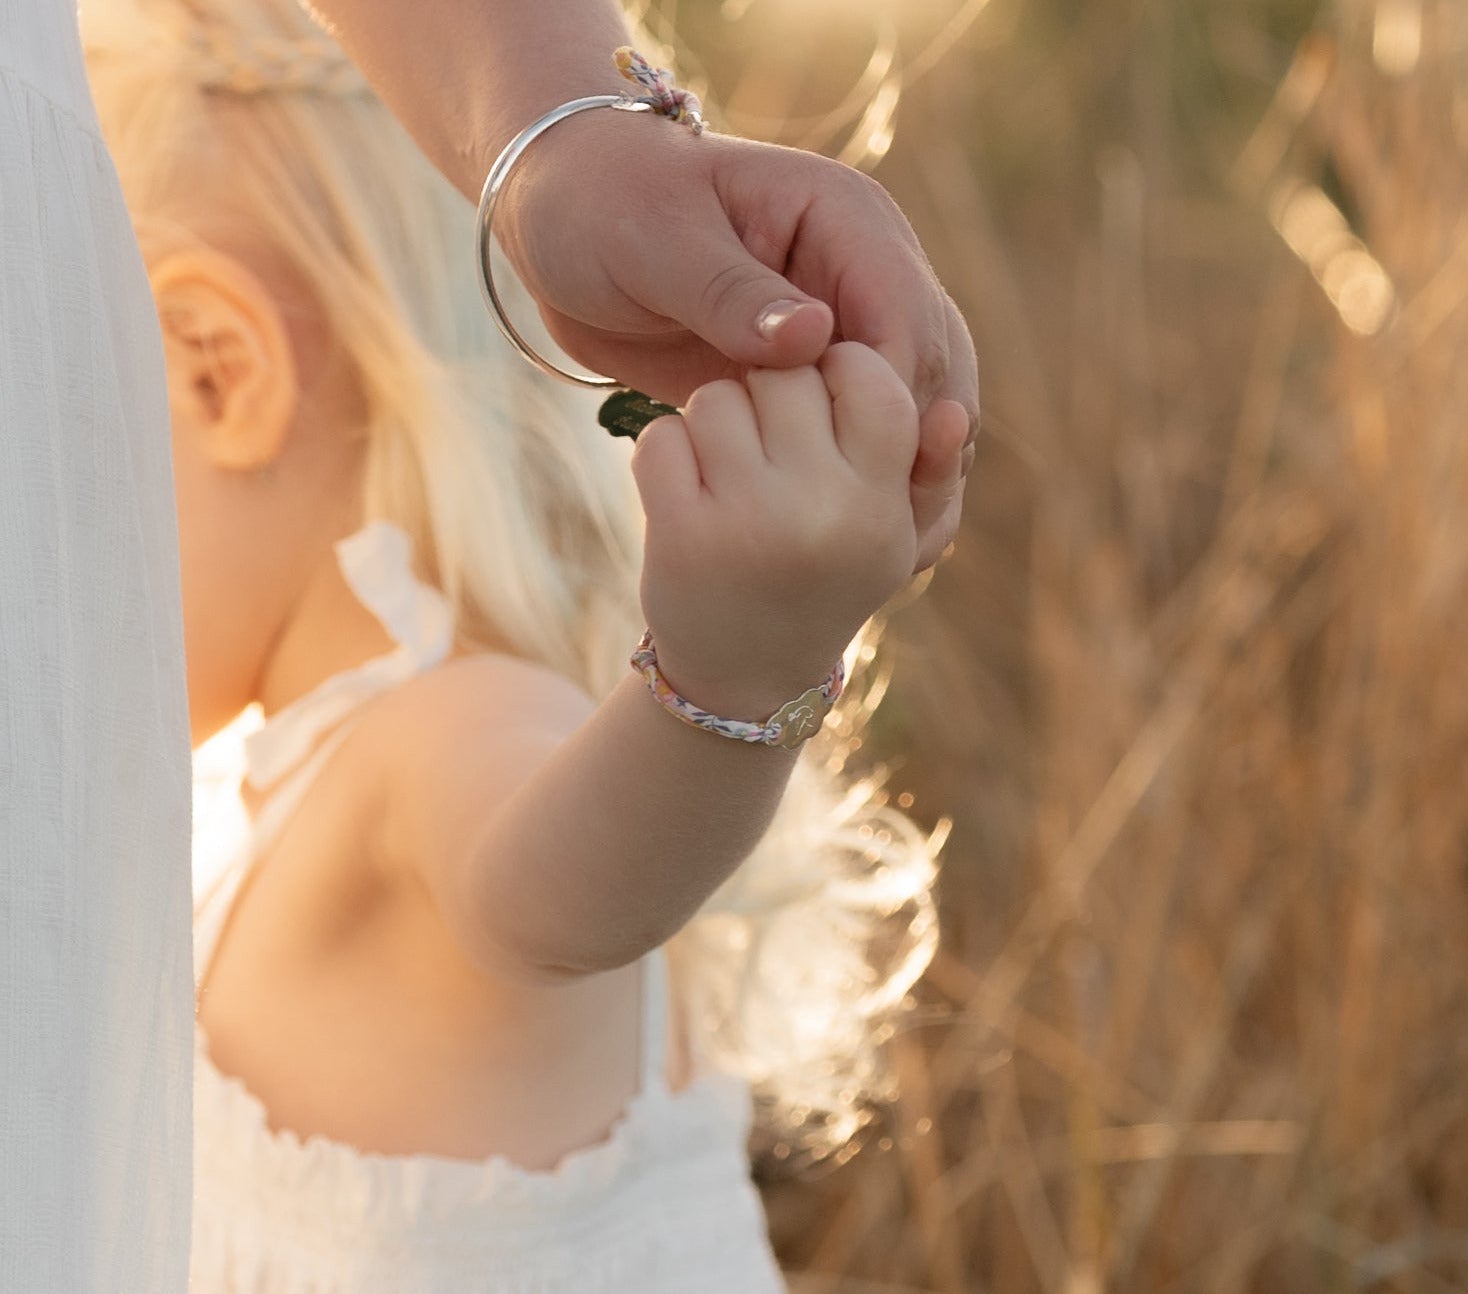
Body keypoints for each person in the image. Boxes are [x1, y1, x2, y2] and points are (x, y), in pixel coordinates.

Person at [0, 0, 974, 1286]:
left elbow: (555, 904)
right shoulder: (308, 767)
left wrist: (734, 674)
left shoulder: (440, 722)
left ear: (216, 369)